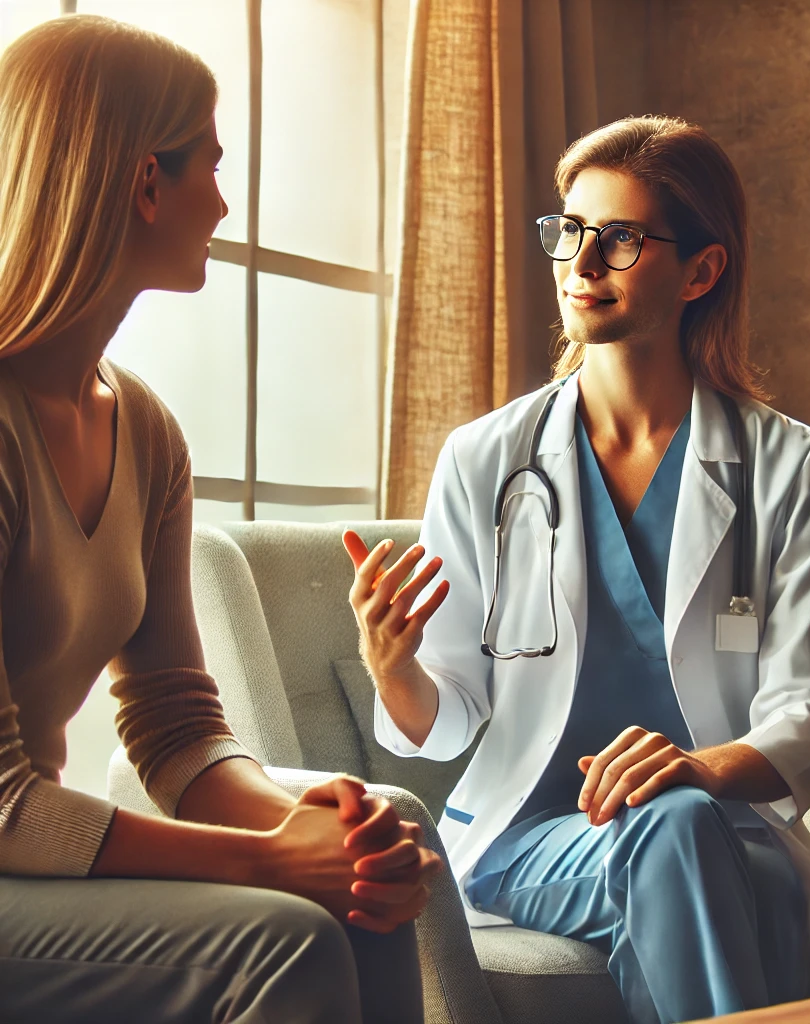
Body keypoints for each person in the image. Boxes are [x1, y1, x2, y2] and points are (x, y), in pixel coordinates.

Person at [345, 115, 810, 1024]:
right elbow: (445, 724)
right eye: (569, 232)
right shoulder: (485, 459)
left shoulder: (787, 464)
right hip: (529, 837)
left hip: (722, 825)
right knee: (674, 838)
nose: (581, 262)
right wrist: (394, 666)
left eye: (621, 238)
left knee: (679, 830)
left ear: (702, 271)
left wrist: (698, 770)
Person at [0, 15, 438, 1023]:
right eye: (210, 161)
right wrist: (271, 860)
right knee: (281, 940)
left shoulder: (144, 430)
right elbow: (4, 800)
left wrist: (318, 826)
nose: (226, 200)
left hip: (27, 865)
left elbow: (176, 726)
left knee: (364, 896)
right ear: (146, 183)